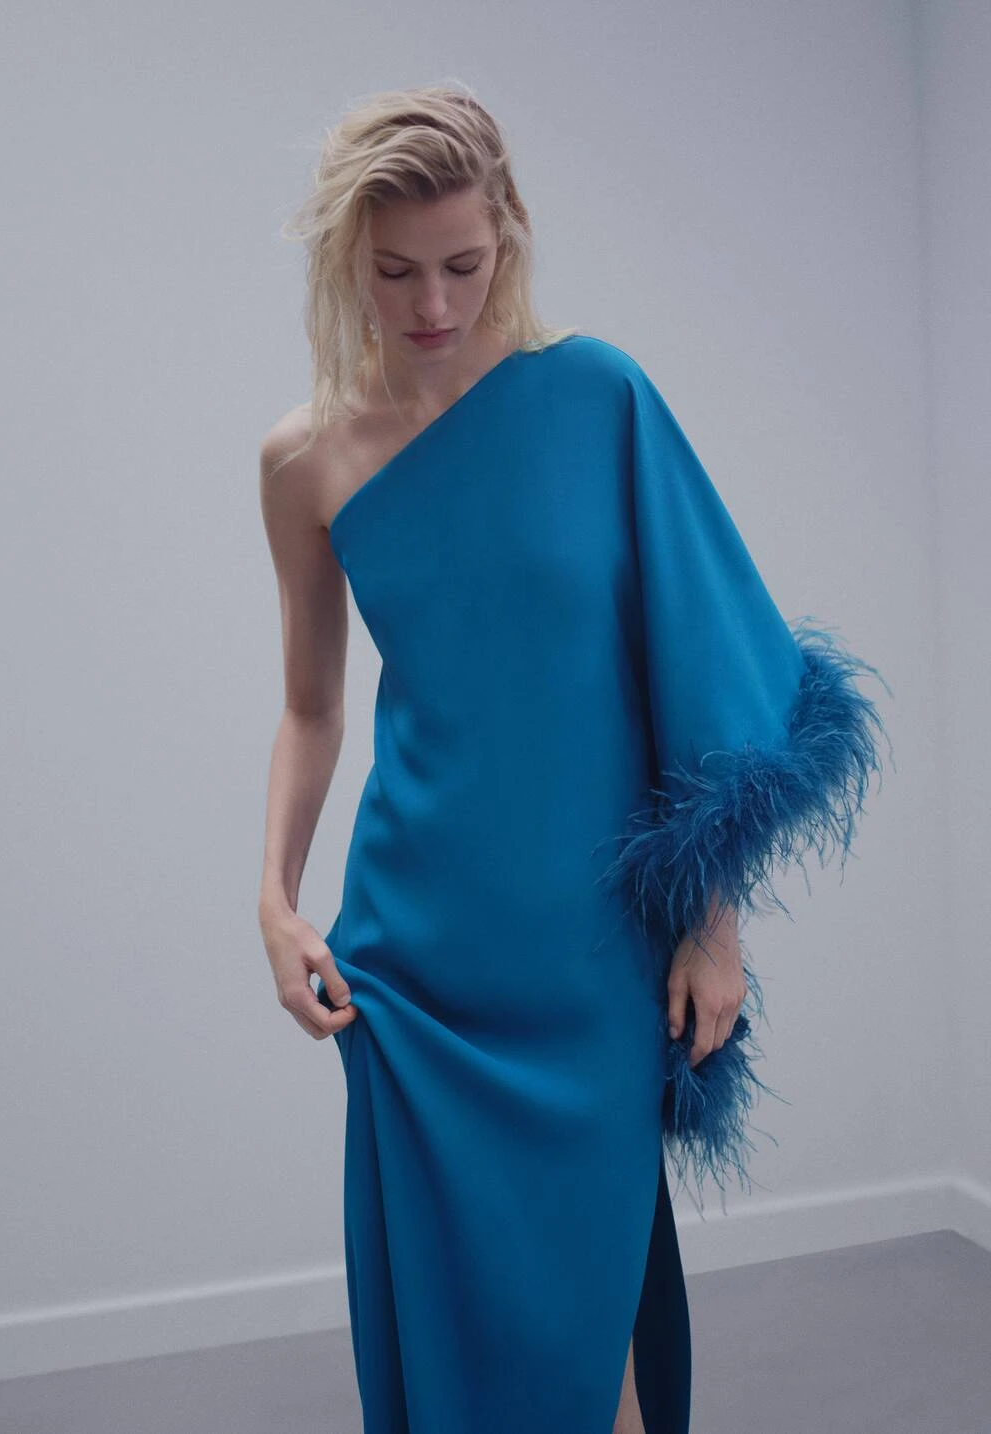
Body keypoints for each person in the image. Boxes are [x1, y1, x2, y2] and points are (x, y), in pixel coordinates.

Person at [257, 83, 888, 1434]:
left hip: (591, 954)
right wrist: (274, 897)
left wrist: (712, 922)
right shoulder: (304, 461)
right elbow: (312, 706)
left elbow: (701, 670)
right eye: (395, 272)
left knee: (593, 1349)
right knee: (458, 1336)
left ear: (511, 235)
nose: (434, 303)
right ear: (348, 261)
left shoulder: (598, 397)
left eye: (464, 264)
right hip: (419, 963)